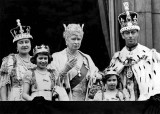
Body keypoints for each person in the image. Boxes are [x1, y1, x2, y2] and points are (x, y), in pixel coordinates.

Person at [105, 2, 160, 101]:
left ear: (137, 33)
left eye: (133, 32)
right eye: (127, 33)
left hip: (144, 100)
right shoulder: (117, 58)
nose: (130, 35)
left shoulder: (148, 55)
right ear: (123, 36)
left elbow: (156, 81)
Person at [48, 23, 102, 101]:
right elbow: (51, 83)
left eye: (78, 39)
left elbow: (95, 74)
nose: (76, 42)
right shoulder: (56, 57)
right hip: (66, 100)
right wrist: (65, 70)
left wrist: (96, 76)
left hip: (85, 100)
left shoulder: (86, 58)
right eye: (73, 39)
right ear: (66, 40)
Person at [0, 19, 35, 101]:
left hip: (33, 98)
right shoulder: (10, 60)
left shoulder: (36, 60)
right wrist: (4, 105)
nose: (24, 45)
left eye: (27, 42)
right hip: (16, 98)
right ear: (16, 46)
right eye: (21, 42)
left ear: (30, 44)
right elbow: (3, 85)